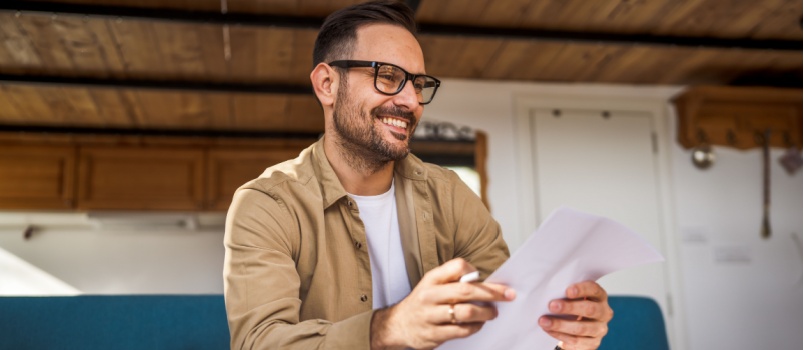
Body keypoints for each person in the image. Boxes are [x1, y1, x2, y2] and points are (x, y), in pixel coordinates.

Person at [223, 1, 613, 349]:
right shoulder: (267, 205)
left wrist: (563, 335)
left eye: (419, 83)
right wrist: (388, 328)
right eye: (388, 76)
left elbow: (507, 321)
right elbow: (259, 342)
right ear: (327, 84)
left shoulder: (451, 195)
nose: (410, 101)